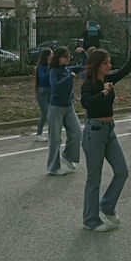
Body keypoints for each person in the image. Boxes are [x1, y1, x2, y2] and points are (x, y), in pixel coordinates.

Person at [79, 37, 131, 232]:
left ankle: (107, 205)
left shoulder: (109, 79)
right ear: (97, 65)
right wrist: (104, 93)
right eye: (106, 63)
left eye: (109, 62)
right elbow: (87, 104)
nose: (109, 65)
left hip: (109, 130)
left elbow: (126, 69)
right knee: (94, 179)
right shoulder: (88, 84)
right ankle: (91, 220)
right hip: (94, 132)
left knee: (122, 171)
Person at [47, 46, 86, 175]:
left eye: (69, 56)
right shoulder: (53, 71)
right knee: (55, 138)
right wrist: (69, 78)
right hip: (56, 107)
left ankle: (68, 156)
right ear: (58, 58)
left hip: (68, 106)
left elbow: (84, 66)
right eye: (65, 56)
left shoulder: (68, 69)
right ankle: (53, 167)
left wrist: (84, 53)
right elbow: (55, 87)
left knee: (77, 132)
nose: (68, 58)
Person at [34, 48, 52, 142]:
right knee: (45, 113)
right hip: (42, 92)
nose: (53, 56)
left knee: (49, 113)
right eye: (51, 54)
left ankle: (50, 134)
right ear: (47, 56)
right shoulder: (41, 66)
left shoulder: (50, 65)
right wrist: (50, 70)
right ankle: (39, 133)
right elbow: (43, 78)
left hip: (50, 91)